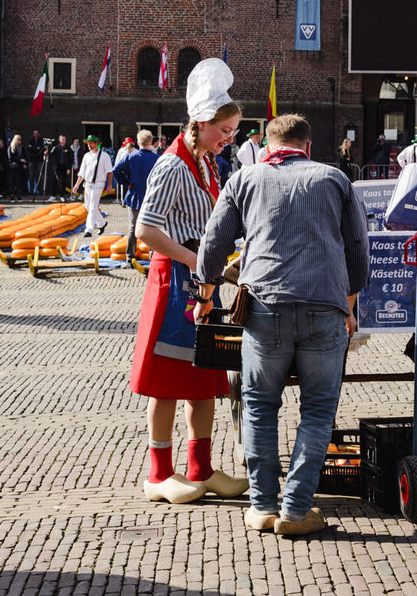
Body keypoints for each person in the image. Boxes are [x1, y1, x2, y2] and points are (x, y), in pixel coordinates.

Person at [195, 113, 368, 536]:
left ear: (268, 147)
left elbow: (213, 244)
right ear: (308, 147)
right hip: (324, 307)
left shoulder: (245, 179)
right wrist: (349, 301)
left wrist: (205, 292)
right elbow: (358, 251)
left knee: (259, 406)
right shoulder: (334, 179)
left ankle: (261, 505)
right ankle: (295, 509)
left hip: (264, 307)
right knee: (318, 409)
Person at [128, 58, 247, 505]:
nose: (230, 138)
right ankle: (159, 474)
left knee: (204, 375)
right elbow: (146, 229)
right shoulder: (173, 165)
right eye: (226, 130)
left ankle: (201, 468)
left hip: (202, 280)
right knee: (166, 380)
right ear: (202, 123)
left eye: (233, 131)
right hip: (176, 279)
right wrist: (196, 259)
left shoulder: (207, 163)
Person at [113, 129, 160, 261]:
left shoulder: (131, 156)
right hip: (152, 198)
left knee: (133, 227)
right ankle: (153, 255)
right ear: (150, 142)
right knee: (153, 228)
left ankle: (130, 256)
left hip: (134, 196)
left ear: (138, 142)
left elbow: (116, 169)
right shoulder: (157, 159)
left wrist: (126, 182)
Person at [73, 135, 114, 236]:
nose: (89, 145)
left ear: (97, 144)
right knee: (88, 206)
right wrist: (76, 185)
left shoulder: (104, 156)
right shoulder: (86, 156)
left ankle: (89, 229)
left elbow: (110, 172)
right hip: (87, 184)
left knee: (92, 207)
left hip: (99, 183)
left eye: (91, 143)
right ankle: (102, 223)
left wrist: (109, 185)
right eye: (88, 143)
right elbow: (82, 172)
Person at [46, 134, 73, 202]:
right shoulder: (56, 148)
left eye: (64, 139)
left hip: (64, 167)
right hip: (56, 167)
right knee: (54, 181)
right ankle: (53, 196)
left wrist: (69, 168)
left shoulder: (68, 148)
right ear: (59, 140)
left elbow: (71, 159)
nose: (63, 140)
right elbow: (50, 155)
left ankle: (62, 196)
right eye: (62, 139)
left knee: (63, 182)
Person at [7, 134, 27, 201]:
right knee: (12, 182)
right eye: (19, 139)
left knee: (19, 182)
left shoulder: (22, 147)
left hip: (20, 167)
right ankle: (12, 196)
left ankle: (19, 196)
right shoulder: (11, 147)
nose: (20, 141)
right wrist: (19, 159)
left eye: (21, 139)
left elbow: (24, 156)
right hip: (13, 167)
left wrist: (24, 163)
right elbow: (10, 158)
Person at [26, 130, 45, 195]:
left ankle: (41, 191)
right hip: (32, 160)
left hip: (39, 161)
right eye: (34, 133)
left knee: (40, 176)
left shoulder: (41, 140)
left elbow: (42, 149)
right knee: (31, 176)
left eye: (37, 133)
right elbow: (29, 149)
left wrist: (34, 149)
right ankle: (31, 191)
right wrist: (36, 149)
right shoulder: (30, 141)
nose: (36, 135)